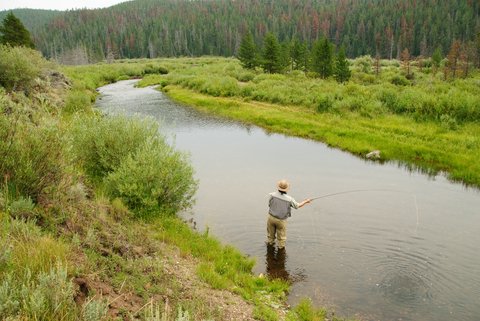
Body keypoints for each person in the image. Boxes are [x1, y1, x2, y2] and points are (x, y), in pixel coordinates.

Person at [267, 179, 311, 249]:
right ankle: (281, 252)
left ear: (278, 187)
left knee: (270, 236)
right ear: (286, 189)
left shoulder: (272, 195)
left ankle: (269, 247)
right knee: (281, 239)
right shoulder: (289, 199)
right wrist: (306, 201)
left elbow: (269, 204)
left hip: (271, 218)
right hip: (281, 220)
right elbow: (297, 206)